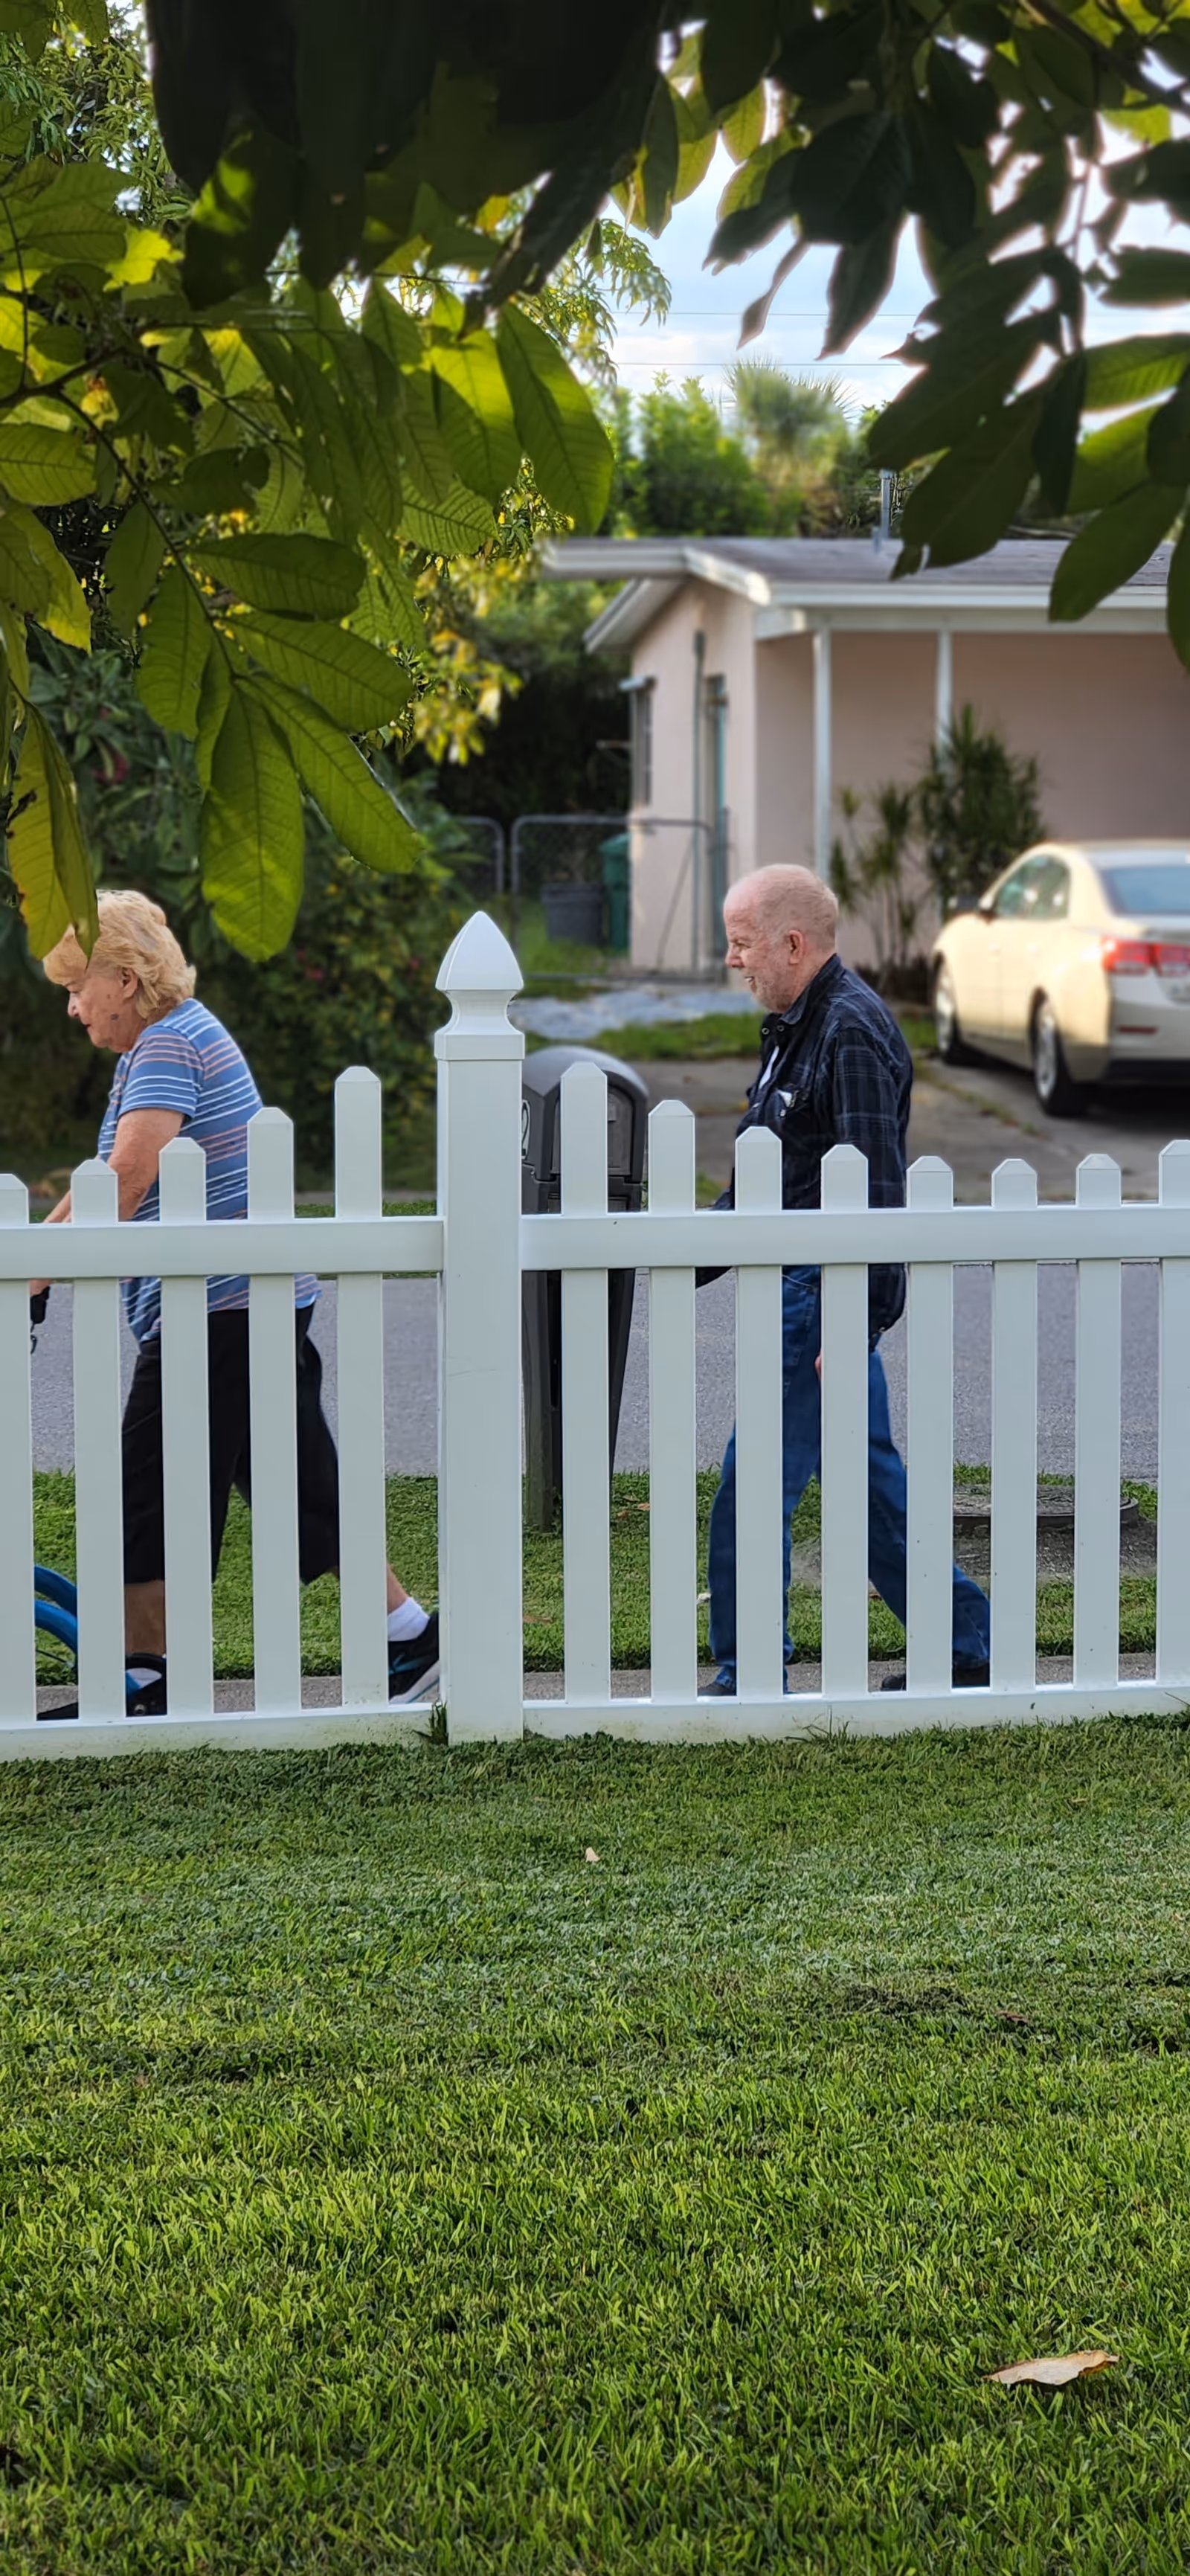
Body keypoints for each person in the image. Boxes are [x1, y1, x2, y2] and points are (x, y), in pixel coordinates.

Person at [32, 890, 440, 1715]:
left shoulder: (167, 1045)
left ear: (122, 974)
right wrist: (37, 1252)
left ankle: (149, 1681)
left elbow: (130, 1174)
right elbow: (110, 1173)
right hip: (246, 1299)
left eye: (78, 986)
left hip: (217, 1310)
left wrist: (35, 1270)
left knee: (148, 1485)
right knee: (301, 1487)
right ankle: (411, 1637)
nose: (72, 1006)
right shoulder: (164, 1042)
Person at [699, 864, 990, 1697]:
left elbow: (874, 1192)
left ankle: (749, 1671)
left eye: (743, 942)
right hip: (802, 1290)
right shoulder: (797, 1022)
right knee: (871, 1495)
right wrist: (674, 1251)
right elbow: (774, 1180)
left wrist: (848, 1317)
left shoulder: (849, 1029)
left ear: (794, 943)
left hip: (819, 1296)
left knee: (750, 1488)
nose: (733, 959)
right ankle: (967, 1647)